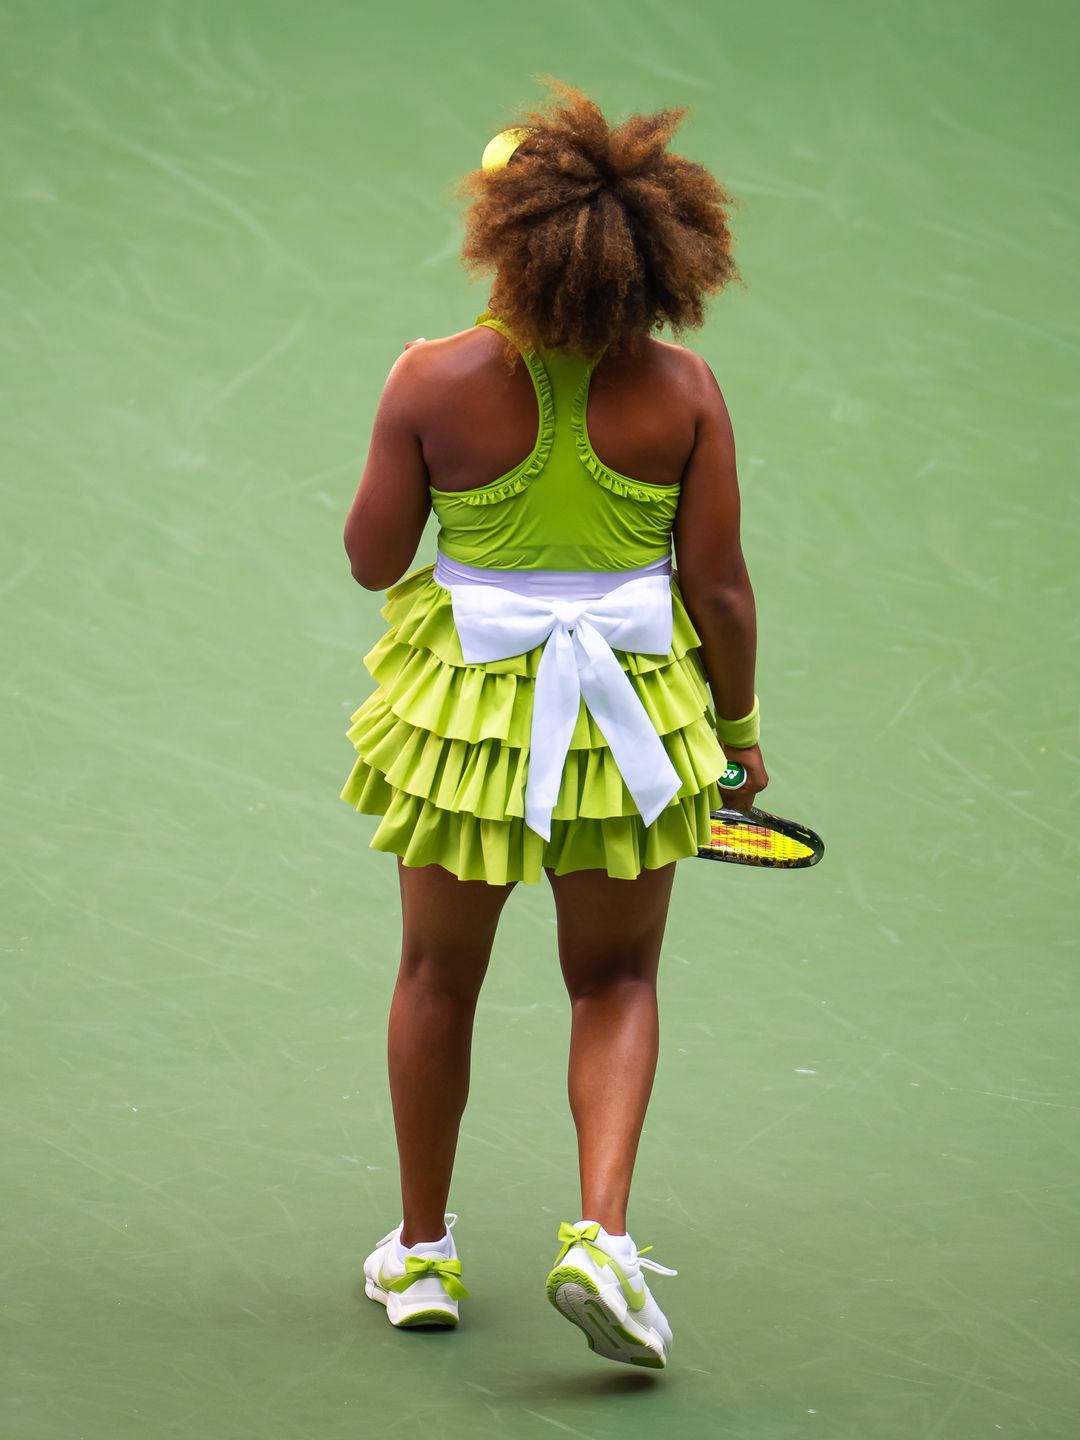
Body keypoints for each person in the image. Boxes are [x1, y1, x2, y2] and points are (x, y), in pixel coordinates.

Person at [340, 82, 767, 1369]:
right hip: (628, 726)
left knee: (435, 977)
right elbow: (723, 589)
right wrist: (737, 736)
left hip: (465, 724)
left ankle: (420, 1256)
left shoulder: (433, 375)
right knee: (618, 979)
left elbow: (372, 559)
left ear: (508, 238)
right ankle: (602, 1238)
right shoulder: (683, 389)